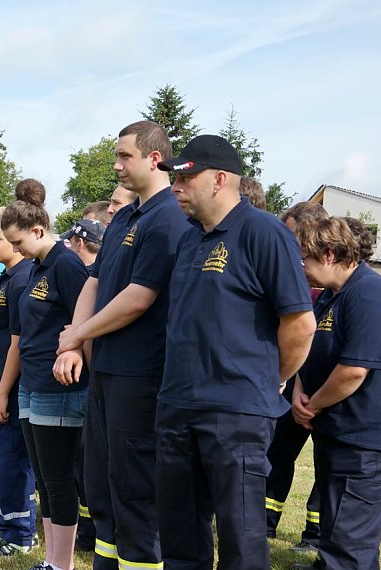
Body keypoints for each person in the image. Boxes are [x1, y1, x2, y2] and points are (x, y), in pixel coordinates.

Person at [154, 134, 316, 569]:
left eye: (187, 177)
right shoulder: (190, 239)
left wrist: (267, 377)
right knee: (179, 535)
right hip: (177, 407)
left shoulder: (263, 233)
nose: (176, 187)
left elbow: (300, 323)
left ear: (221, 178)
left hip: (236, 413)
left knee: (241, 539)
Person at [54, 120, 190, 570]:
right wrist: (73, 344)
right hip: (106, 372)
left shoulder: (169, 217)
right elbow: (94, 282)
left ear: (155, 158)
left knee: (136, 492)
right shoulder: (126, 217)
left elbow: (139, 297)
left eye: (124, 156)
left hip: (141, 375)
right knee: (105, 488)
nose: (116, 166)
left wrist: (79, 333)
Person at [289, 218, 381, 570]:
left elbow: (353, 371)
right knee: (338, 532)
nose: (302, 270)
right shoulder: (331, 296)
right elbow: (309, 347)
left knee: (350, 543)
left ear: (329, 254)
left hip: (369, 444)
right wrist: (300, 387)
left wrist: (311, 405)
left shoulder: (372, 295)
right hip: (337, 434)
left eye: (305, 261)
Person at [0, 178, 88, 570]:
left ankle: (63, 564)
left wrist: (74, 352)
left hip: (60, 387)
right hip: (31, 385)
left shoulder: (66, 265)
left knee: (57, 479)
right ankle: (52, 561)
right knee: (43, 479)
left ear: (38, 231)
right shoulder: (37, 267)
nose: (13, 251)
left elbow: (85, 322)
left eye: (18, 243)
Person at [265, 201, 330, 551]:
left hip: (324, 393)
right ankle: (265, 522)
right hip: (293, 383)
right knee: (277, 453)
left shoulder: (330, 285)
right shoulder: (289, 275)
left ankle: (316, 535)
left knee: (326, 464)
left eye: (289, 235)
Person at [0, 207, 37, 558]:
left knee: (9, 460)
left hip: (10, 387)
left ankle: (18, 534)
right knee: (5, 459)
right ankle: (20, 528)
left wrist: (1, 393)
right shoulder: (7, 276)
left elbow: (17, 340)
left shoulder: (22, 278)